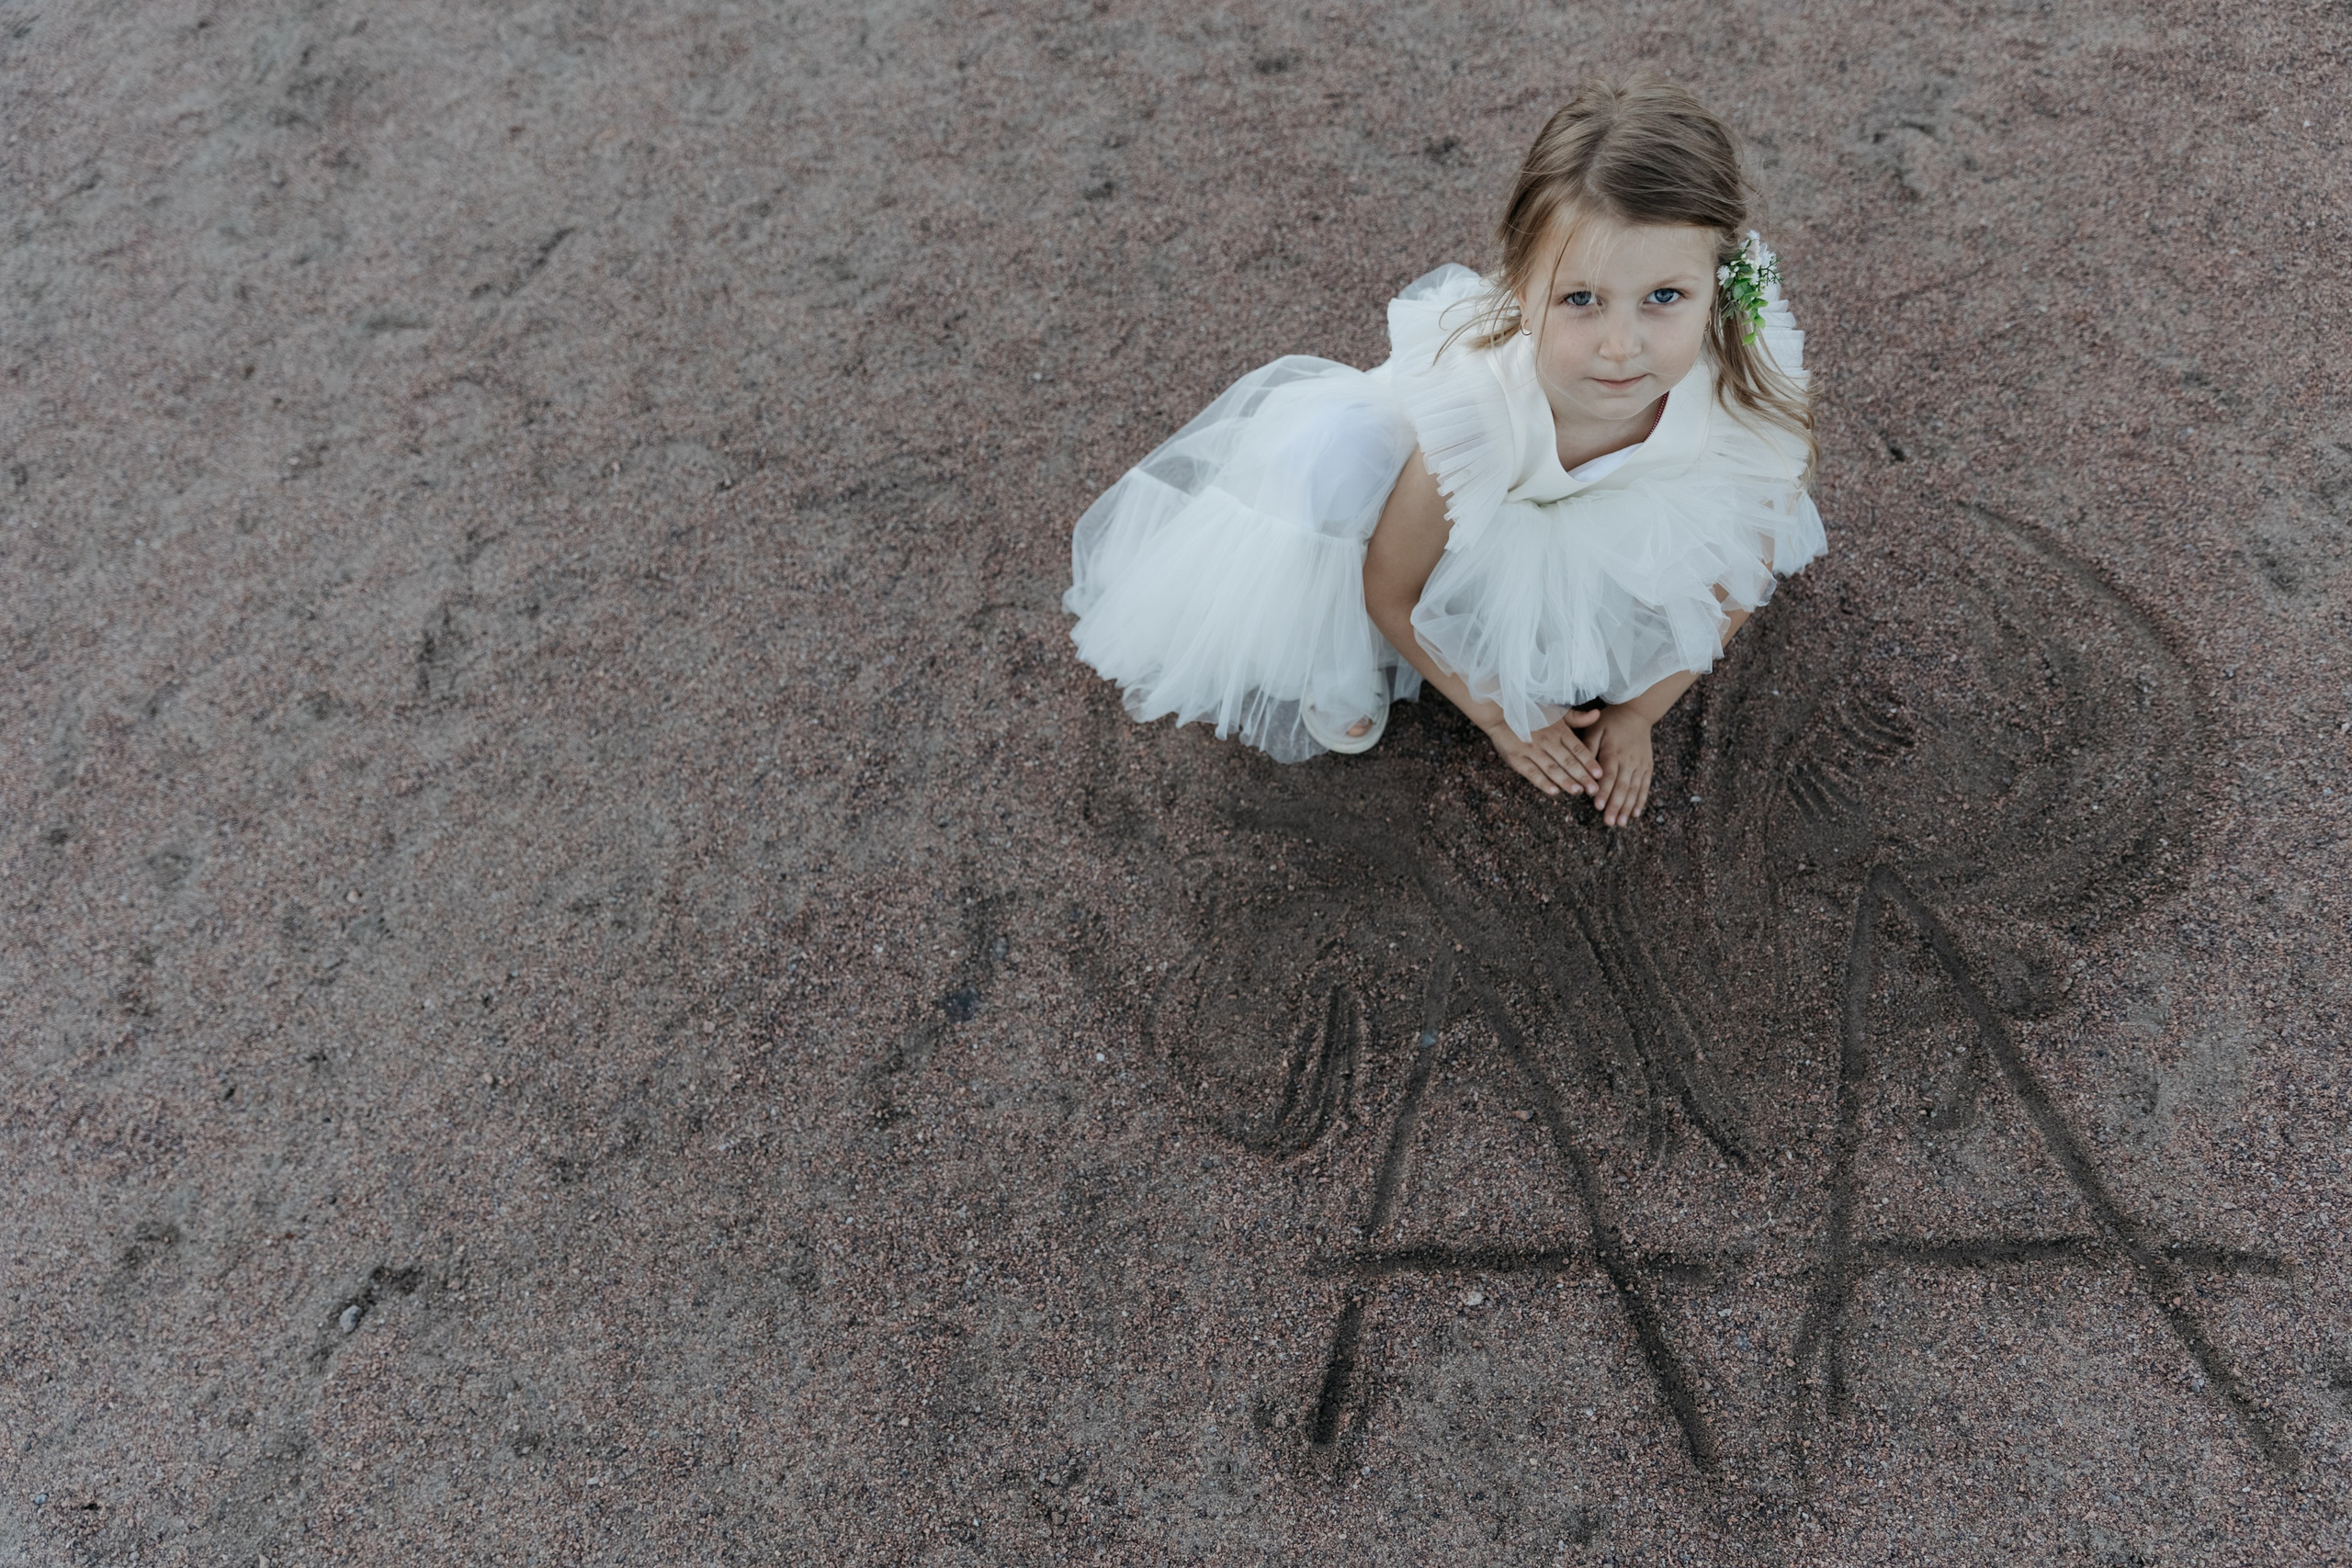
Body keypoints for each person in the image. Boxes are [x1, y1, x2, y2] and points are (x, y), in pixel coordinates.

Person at [1063, 76, 1822, 828]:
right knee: (1332, 462)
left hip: (1579, 513)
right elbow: (1391, 589)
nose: (1621, 348)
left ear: (1716, 288)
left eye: (1664, 297)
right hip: (1452, 504)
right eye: (1581, 300)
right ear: (1522, 290)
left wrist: (1637, 713)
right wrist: (1498, 716)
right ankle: (1337, 659)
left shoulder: (1735, 392)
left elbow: (1741, 573)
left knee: (1628, 579)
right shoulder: (1480, 416)